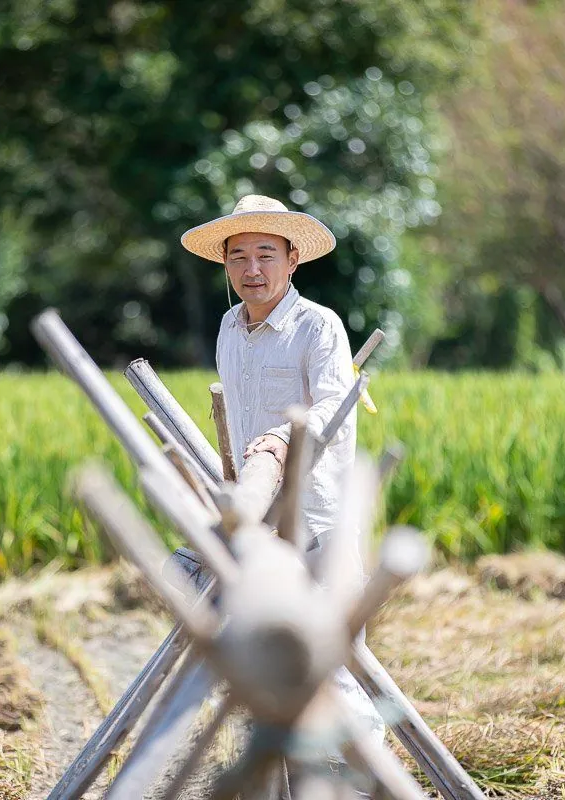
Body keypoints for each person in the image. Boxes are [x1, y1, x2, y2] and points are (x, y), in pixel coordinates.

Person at [180, 193, 385, 788]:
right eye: (238, 256)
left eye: (265, 255)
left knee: (336, 665)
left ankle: (365, 781)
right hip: (257, 520)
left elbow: (330, 411)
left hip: (316, 513)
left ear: (293, 259)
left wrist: (277, 441)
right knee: (269, 663)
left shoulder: (317, 325)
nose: (252, 269)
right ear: (225, 266)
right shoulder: (229, 327)